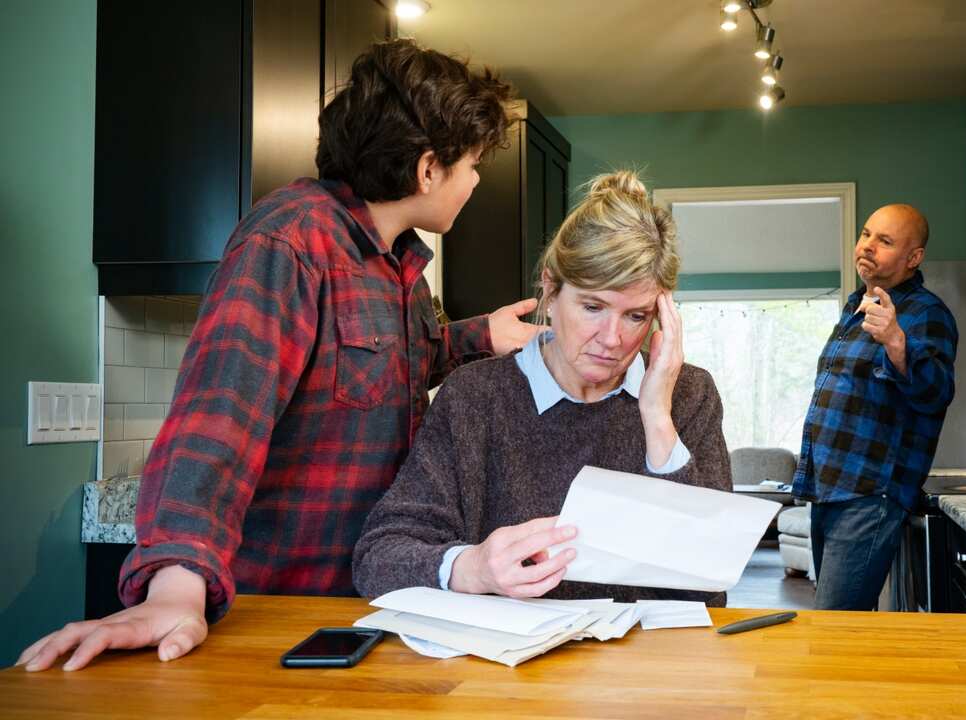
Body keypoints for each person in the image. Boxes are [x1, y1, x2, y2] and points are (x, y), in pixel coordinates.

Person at [18, 40, 543, 672]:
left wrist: (478, 336)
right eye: (474, 164)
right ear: (429, 169)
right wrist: (177, 586)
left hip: (361, 603)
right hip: (273, 606)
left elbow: (381, 370)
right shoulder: (289, 241)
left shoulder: (397, 265)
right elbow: (218, 419)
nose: (477, 180)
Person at [352, 171, 732, 606]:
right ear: (551, 290)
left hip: (644, 666)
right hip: (510, 667)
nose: (613, 339)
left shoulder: (688, 393)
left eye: (636, 316)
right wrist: (472, 567)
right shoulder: (475, 396)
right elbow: (378, 558)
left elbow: (708, 585)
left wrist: (657, 419)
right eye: (593, 306)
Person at [792, 203, 958, 611]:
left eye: (884, 241)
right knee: (834, 625)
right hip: (831, 488)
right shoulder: (856, 307)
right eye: (866, 234)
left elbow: (937, 392)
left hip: (870, 491)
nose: (867, 246)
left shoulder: (925, 312)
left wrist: (898, 345)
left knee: (836, 626)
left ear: (913, 258)